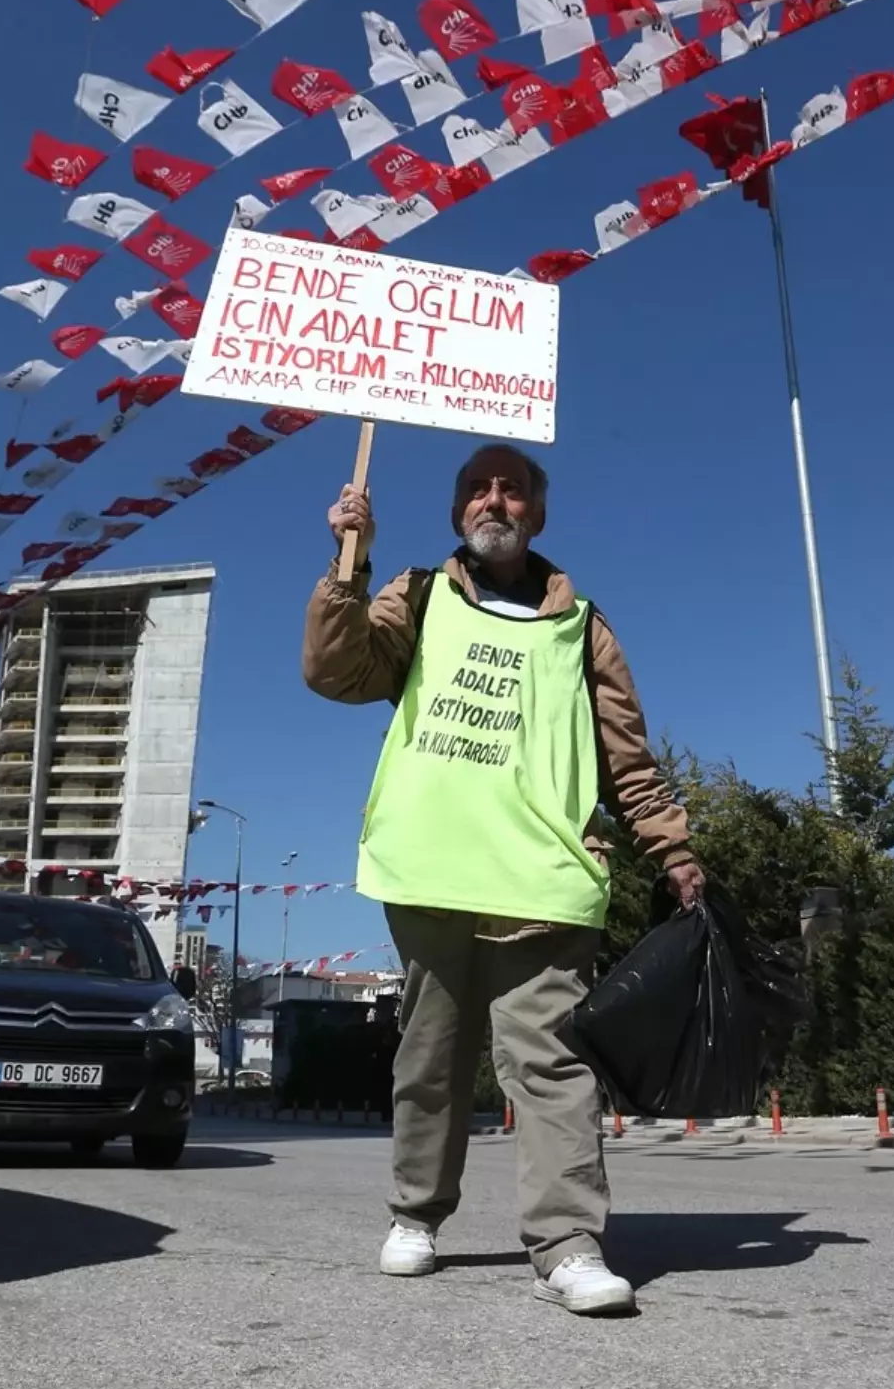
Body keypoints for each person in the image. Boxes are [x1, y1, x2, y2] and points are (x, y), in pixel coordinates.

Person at [302, 442, 704, 1316]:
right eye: (479, 491)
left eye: (513, 490)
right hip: (434, 871)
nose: (496, 502)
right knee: (431, 1060)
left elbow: (626, 757)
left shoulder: (583, 625)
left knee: (554, 1067)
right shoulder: (415, 596)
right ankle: (416, 1216)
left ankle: (567, 1245)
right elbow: (336, 673)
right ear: (457, 514)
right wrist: (350, 559)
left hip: (544, 878)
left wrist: (672, 848)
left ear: (538, 513)